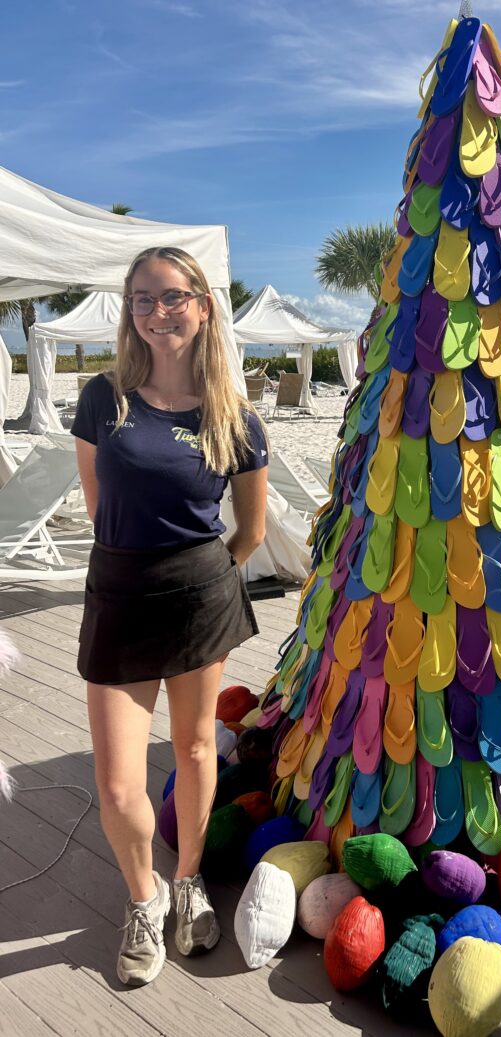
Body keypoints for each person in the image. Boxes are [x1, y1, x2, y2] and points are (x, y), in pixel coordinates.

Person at [71, 246, 269, 987]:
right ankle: (144, 897)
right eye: (143, 299)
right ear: (130, 310)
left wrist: (200, 573)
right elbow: (100, 508)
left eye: (173, 297)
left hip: (199, 597)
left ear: (203, 305)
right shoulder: (104, 398)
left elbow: (248, 534)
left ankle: (186, 878)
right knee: (119, 785)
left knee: (192, 751)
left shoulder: (234, 417)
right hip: (119, 594)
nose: (158, 312)